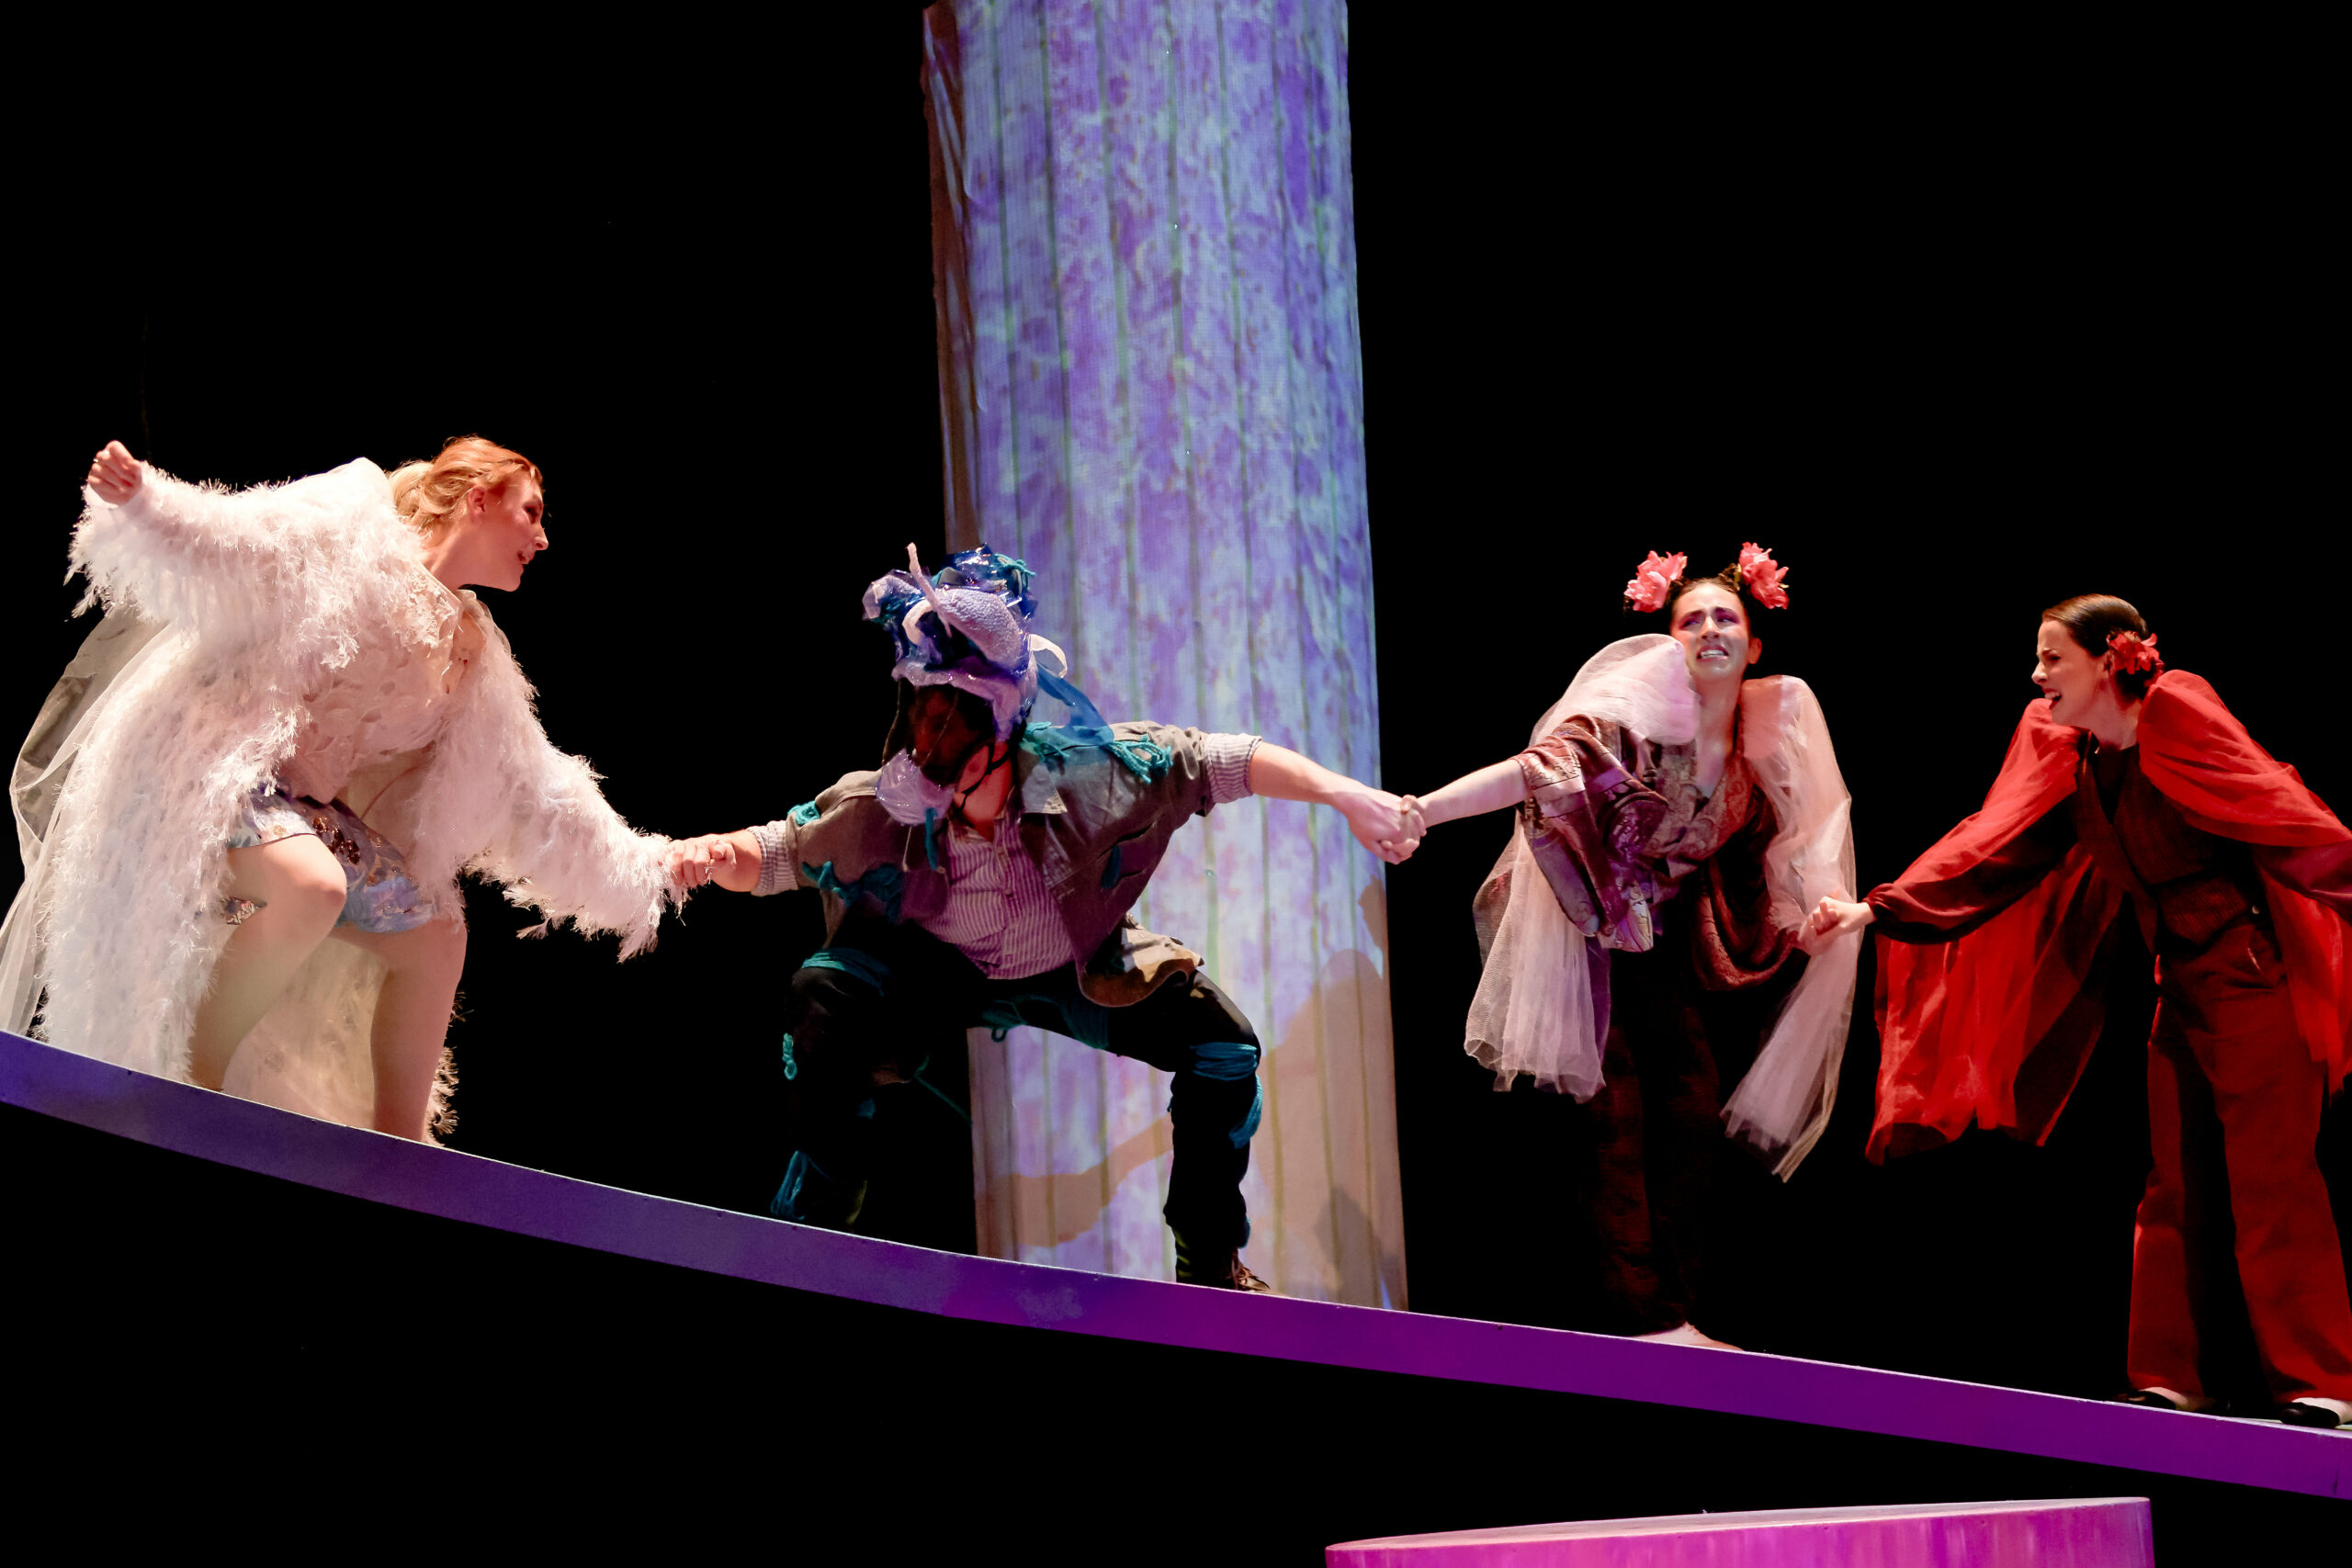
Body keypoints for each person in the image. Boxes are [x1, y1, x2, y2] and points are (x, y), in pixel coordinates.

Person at [671, 545, 1418, 1292]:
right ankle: (813, 1227)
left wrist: (1346, 795)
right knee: (821, 994)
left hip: (1070, 968)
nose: (945, 796)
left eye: (964, 774)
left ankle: (1208, 1259)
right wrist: (712, 853)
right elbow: (779, 850)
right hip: (935, 969)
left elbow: (1226, 760)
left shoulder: (1091, 773)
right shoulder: (889, 803)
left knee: (1225, 1046)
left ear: (1003, 743)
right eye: (932, 773)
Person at [2, 437, 685, 1140]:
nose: (542, 539)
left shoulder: (470, 649)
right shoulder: (358, 530)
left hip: (299, 812)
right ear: (479, 500)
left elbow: (538, 783)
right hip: (219, 778)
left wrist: (658, 861)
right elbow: (243, 541)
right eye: (531, 512)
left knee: (437, 935)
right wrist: (146, 501)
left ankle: (399, 1148)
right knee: (314, 886)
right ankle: (196, 1087)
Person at [1807, 595, 2352, 1427]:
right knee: (2173, 1184)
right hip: (2183, 984)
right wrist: (1876, 909)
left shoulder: (2177, 710)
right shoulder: (2077, 755)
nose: (2037, 675)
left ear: (2109, 659)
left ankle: (2322, 1381)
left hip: (2254, 978)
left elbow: (2284, 815)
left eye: (2052, 657)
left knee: (2272, 1182)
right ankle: (2176, 1375)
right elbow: (1994, 847)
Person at [1402, 546, 1860, 1345]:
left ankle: (1674, 1311)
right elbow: (1534, 773)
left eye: (1726, 618)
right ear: (1667, 642)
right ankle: (1642, 1321)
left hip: (1654, 949)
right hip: (1584, 932)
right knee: (1614, 1118)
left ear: (1754, 645)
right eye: (1691, 619)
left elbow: (1766, 874)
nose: (1710, 629)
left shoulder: (1751, 757)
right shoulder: (1635, 724)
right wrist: (1423, 810)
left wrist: (1810, 924)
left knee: (1691, 1110)